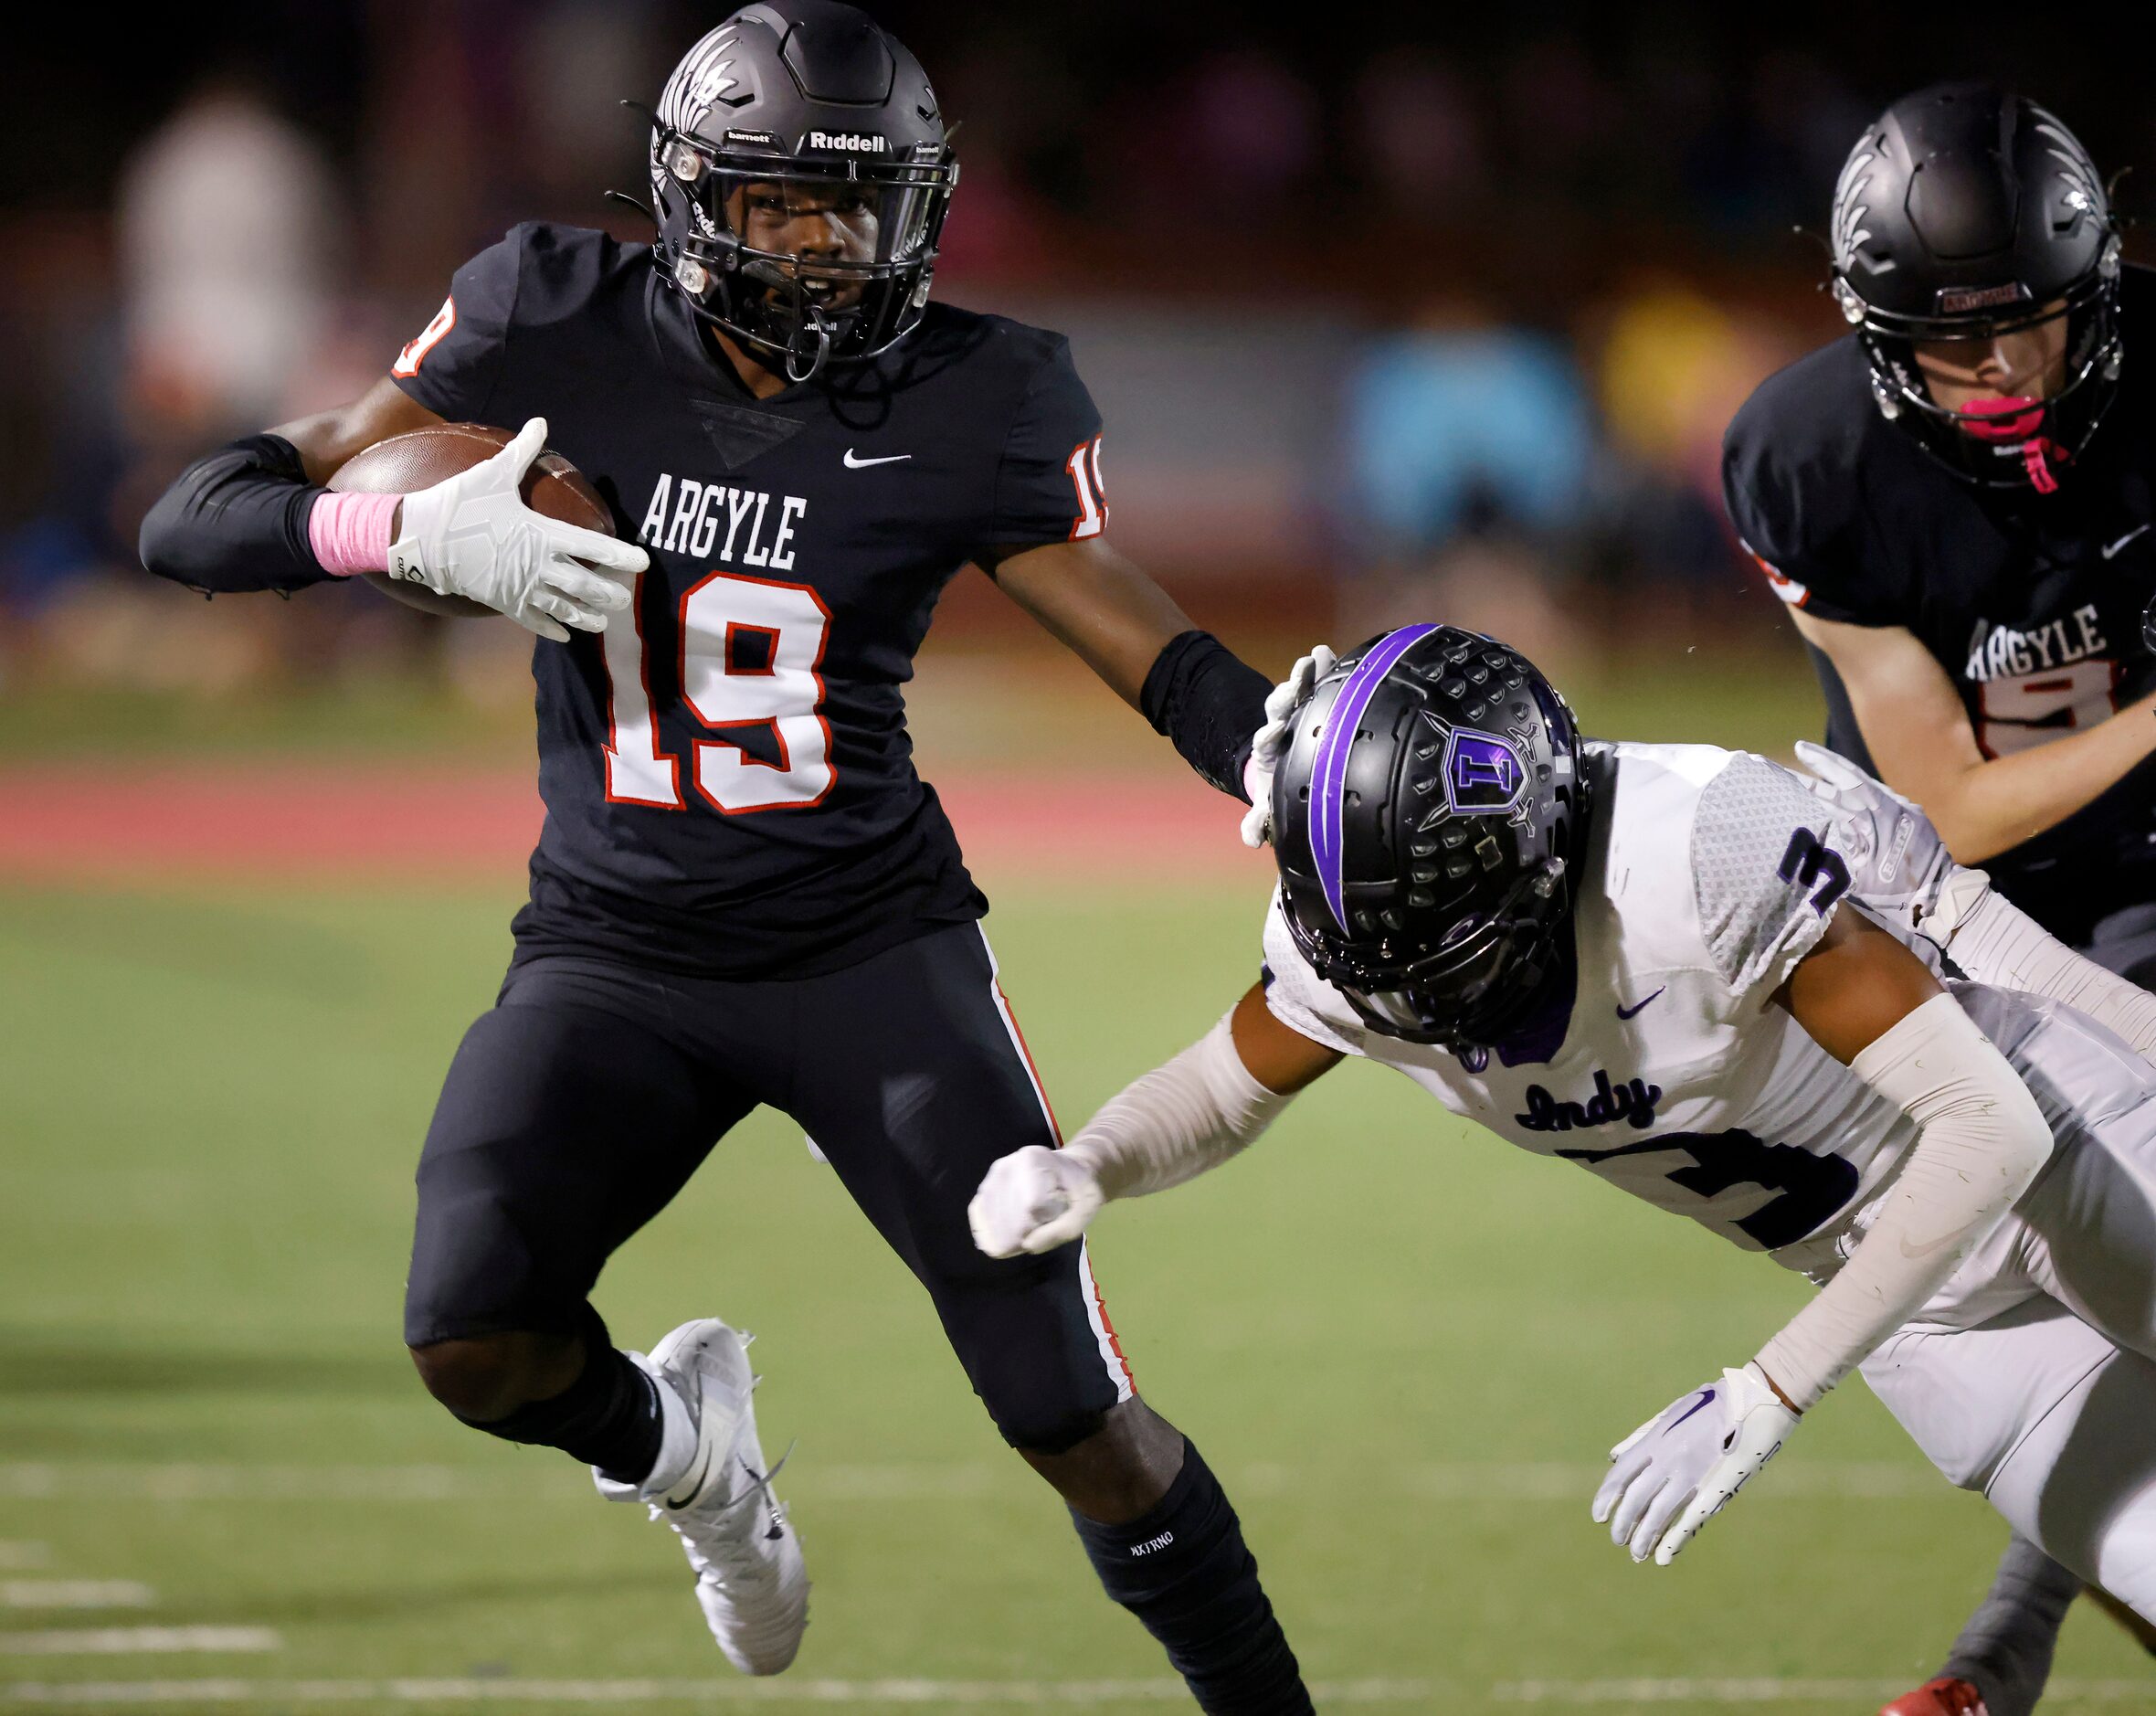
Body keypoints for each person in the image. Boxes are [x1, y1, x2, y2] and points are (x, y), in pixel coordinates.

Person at [136, 5, 1313, 1708]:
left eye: (859, 208)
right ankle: (696, 1462)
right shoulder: (550, 313)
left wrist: (1291, 766)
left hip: (870, 949)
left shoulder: (977, 390)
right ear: (696, 204)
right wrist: (390, 526)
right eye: (779, 207)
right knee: (470, 1331)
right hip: (613, 948)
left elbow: (1153, 653)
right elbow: (195, 520)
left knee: (1076, 1417)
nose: (825, 249)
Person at [971, 626, 2156, 1697]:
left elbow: (1990, 1128)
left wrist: (1772, 1385)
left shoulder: (1696, 853)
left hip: (2065, 1145)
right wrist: (1095, 1162)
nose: (1400, 994)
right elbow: (1228, 1081)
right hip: (1905, 1302)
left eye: (1437, 949)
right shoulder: (1374, 925)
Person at [1723, 82, 2156, 1715]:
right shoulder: (1811, 454)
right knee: (2074, 1260)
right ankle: (2004, 1649)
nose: (1997, 374)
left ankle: (1995, 1658)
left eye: (2032, 331)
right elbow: (1957, 804)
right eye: (1952, 342)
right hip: (1950, 903)